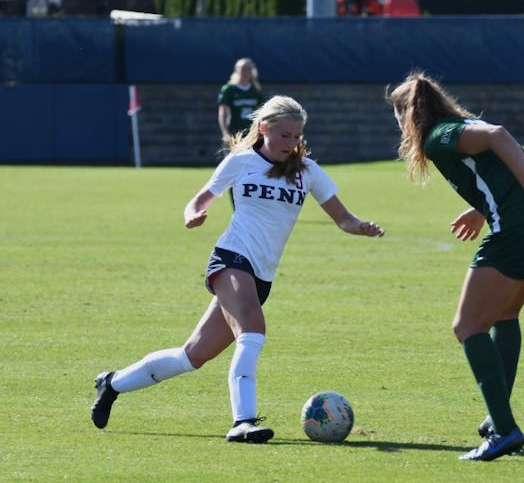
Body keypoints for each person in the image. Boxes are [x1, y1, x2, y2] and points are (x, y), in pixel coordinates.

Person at [90, 95, 385, 443]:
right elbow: (200, 198)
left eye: (296, 137)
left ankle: (112, 383)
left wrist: (361, 226)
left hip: (261, 275)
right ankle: (242, 421)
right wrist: (193, 214)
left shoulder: (308, 172)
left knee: (191, 356)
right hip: (231, 257)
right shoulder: (241, 160)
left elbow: (343, 219)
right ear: (263, 129)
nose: (291, 144)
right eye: (284, 135)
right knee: (253, 329)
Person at [387, 71, 524, 462]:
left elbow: (497, 136)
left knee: (467, 327)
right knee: (505, 313)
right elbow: (493, 160)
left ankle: (505, 431)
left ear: (409, 115)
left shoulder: (438, 134)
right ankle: (498, 418)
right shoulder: (456, 126)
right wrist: (480, 208)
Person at [217, 58, 264, 149]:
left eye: (248, 69)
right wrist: (225, 132)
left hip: (252, 133)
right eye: (243, 68)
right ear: (236, 70)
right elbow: (223, 113)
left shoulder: (256, 90)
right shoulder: (229, 89)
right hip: (234, 132)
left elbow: (261, 112)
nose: (245, 72)